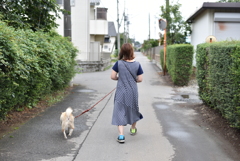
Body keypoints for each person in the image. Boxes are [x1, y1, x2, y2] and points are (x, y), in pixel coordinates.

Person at [111, 43, 143, 143]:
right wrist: (132, 80)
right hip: (132, 91)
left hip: (121, 90)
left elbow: (112, 76)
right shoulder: (137, 64)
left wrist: (120, 79)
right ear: (131, 51)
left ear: (122, 52)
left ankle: (121, 136)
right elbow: (140, 79)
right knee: (133, 108)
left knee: (119, 110)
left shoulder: (118, 63)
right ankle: (133, 129)